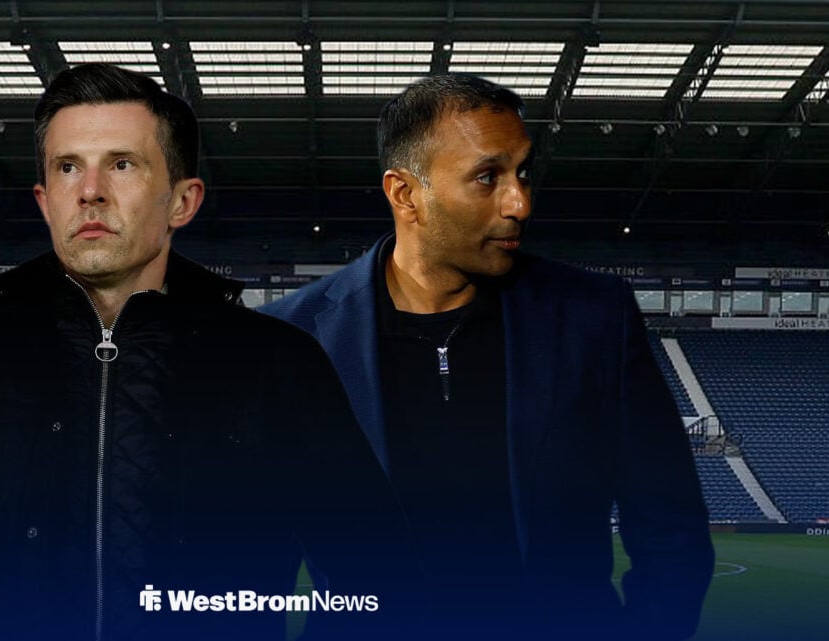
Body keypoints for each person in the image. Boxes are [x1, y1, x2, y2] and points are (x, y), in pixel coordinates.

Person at [0, 63, 415, 641]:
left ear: (182, 201)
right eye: (68, 167)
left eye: (122, 164)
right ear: (45, 200)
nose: (90, 191)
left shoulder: (278, 364)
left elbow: (377, 578)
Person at [260, 73, 715, 640]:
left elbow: (671, 527)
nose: (519, 202)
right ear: (405, 194)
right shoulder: (290, 336)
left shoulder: (595, 317)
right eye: (487, 177)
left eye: (522, 172)